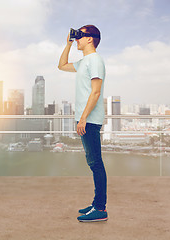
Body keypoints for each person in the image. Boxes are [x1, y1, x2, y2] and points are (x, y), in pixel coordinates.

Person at [58, 25, 108, 222]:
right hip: (85, 118)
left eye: (80, 35)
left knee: (96, 164)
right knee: (93, 162)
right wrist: (68, 43)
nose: (77, 38)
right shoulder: (84, 62)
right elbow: (61, 65)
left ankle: (100, 209)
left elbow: (96, 92)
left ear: (90, 39)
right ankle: (96, 204)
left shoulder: (95, 60)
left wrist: (84, 118)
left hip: (90, 119)